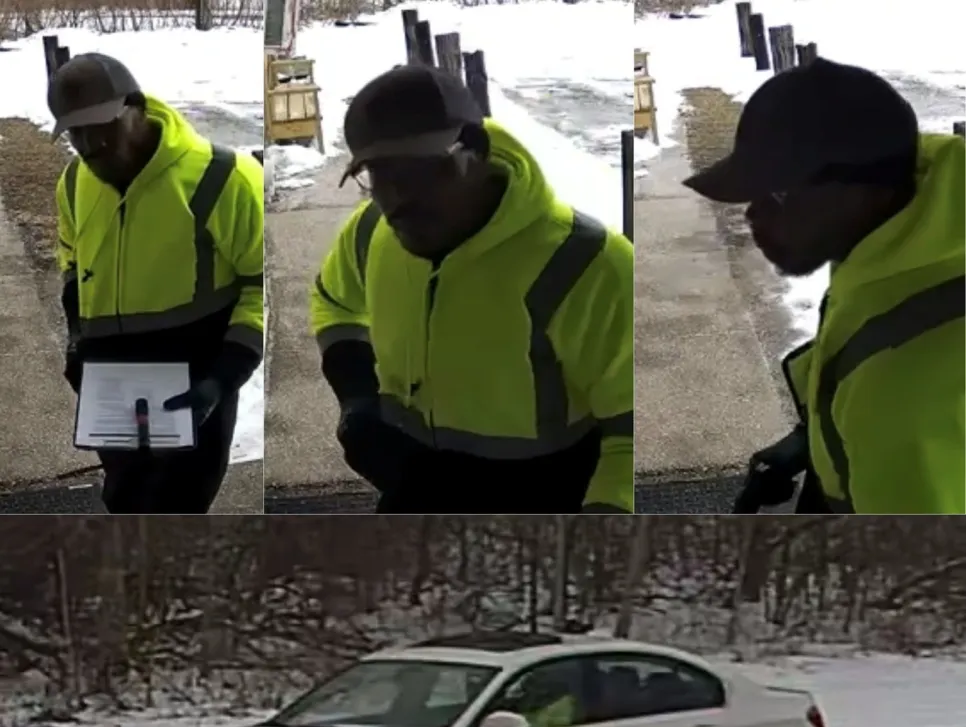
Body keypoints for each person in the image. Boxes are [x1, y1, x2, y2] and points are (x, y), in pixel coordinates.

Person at [309, 65, 633, 513]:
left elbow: (631, 427)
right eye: (377, 173)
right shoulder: (371, 231)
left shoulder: (585, 263)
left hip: (546, 496)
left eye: (422, 170)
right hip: (414, 486)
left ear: (475, 154)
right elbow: (333, 301)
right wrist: (357, 398)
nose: (398, 196)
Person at [683, 58, 965, 514]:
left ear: (868, 189)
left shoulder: (904, 400)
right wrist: (816, 440)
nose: (752, 214)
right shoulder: (907, 233)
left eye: (778, 194)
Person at [49, 53, 264, 514]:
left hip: (194, 385)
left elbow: (260, 284)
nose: (89, 145)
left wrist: (223, 377)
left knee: (178, 511)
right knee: (125, 502)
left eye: (100, 126)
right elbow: (71, 256)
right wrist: (76, 337)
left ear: (137, 107)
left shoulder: (223, 178)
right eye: (75, 133)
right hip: (112, 387)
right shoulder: (73, 181)